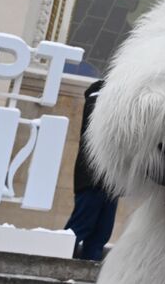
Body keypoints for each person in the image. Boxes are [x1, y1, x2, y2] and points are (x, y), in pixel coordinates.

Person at [66, 78, 118, 262]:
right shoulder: (97, 96)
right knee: (80, 226)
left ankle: (89, 270)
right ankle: (60, 263)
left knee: (101, 232)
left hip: (109, 181)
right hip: (92, 179)